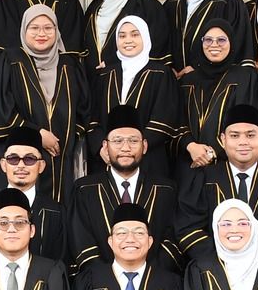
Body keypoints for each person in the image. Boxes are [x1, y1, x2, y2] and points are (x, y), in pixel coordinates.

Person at [0, 3, 96, 198]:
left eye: (48, 28)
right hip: (20, 162)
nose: (42, 33)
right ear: (24, 30)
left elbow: (84, 110)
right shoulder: (7, 60)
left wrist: (68, 138)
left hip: (62, 162)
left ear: (57, 30)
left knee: (58, 209)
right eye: (34, 28)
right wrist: (37, 134)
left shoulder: (70, 65)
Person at [177, 102, 258, 261]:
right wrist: (216, 265)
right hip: (213, 271)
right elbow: (188, 227)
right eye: (234, 136)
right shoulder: (203, 179)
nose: (243, 142)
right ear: (223, 140)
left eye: (250, 135)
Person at [68, 107, 179, 273]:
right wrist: (109, 278)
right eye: (117, 141)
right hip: (99, 282)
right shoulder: (84, 189)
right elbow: (81, 240)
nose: (125, 148)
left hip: (156, 280)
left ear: (144, 146)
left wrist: (147, 276)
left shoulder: (166, 189)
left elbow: (172, 237)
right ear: (105, 146)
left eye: (133, 141)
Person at [92, 14, 180, 183]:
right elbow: (92, 119)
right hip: (106, 160)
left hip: (149, 160)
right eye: (122, 36)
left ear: (145, 37)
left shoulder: (161, 74)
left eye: (135, 34)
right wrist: (103, 147)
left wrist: (132, 147)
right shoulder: (105, 75)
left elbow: (165, 120)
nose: (128, 40)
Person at [177, 23, 258, 188]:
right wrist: (191, 146)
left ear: (231, 43)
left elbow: (256, 122)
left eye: (221, 40)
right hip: (189, 167)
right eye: (208, 40)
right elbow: (177, 120)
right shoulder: (188, 80)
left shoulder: (247, 77)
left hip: (230, 168)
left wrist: (212, 152)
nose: (214, 45)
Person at [0, 132, 70, 262]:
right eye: (13, 159)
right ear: (3, 164)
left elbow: (59, 265)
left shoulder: (55, 212)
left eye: (30, 159)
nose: (21, 165)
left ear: (41, 166)